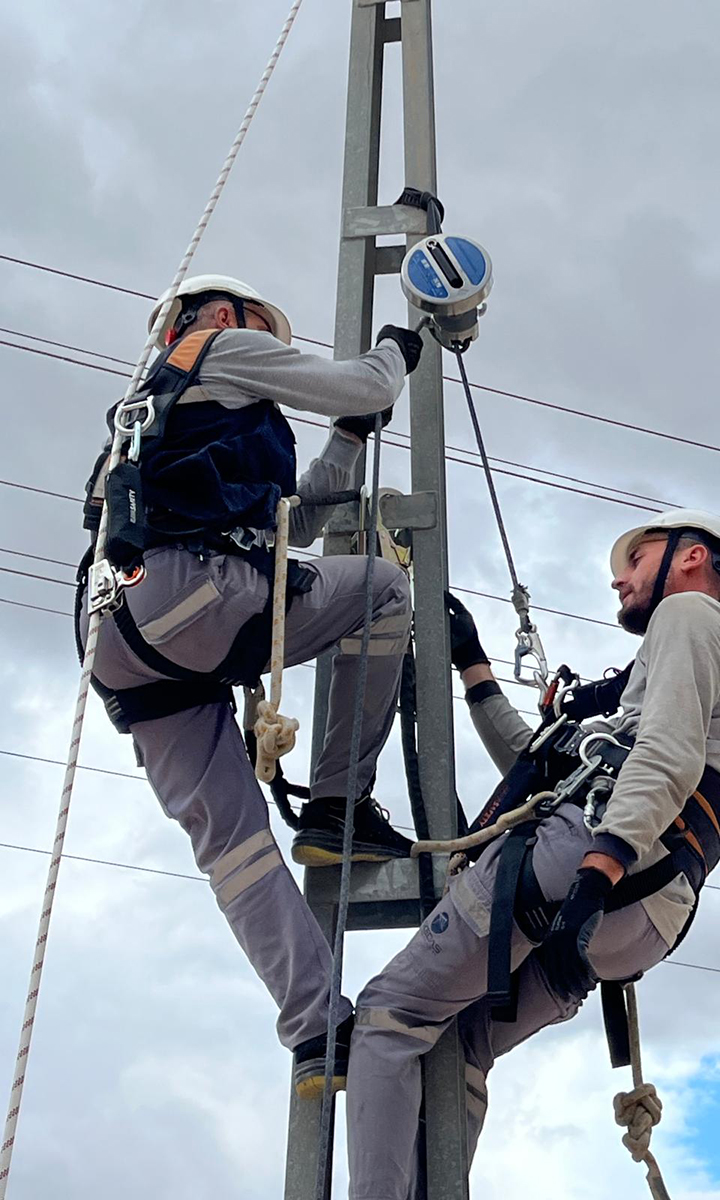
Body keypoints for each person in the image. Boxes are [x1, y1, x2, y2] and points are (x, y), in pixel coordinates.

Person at [347, 509, 720, 1197]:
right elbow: (543, 760)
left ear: (694, 557)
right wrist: (475, 666)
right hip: (646, 919)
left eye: (636, 560)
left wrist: (595, 873)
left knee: (388, 1014)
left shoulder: (690, 619)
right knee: (464, 1044)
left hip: (589, 865)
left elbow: (665, 757)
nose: (619, 578)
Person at [78, 273, 423, 1095]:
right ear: (228, 315)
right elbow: (369, 381)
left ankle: (316, 1031)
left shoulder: (148, 417)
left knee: (231, 849)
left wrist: (346, 439)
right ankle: (339, 803)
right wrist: (394, 355)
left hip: (119, 638)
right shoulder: (220, 346)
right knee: (380, 588)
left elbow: (287, 525)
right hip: (192, 595)